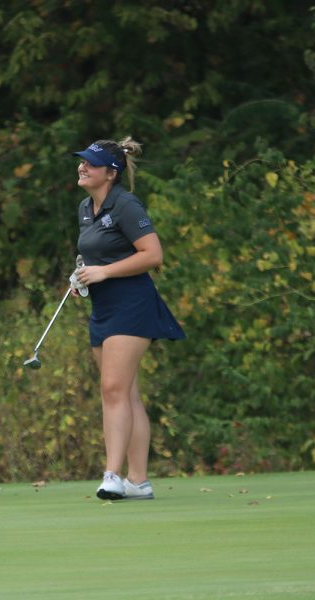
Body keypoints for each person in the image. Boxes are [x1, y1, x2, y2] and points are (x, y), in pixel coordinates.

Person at [70, 137, 185, 501]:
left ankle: (112, 475)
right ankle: (139, 481)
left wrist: (105, 273)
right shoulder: (86, 208)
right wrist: (83, 277)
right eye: (82, 162)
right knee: (127, 394)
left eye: (91, 163)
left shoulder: (126, 204)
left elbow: (153, 254)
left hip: (132, 305)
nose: (82, 167)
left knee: (113, 390)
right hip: (103, 308)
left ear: (111, 173)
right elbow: (97, 258)